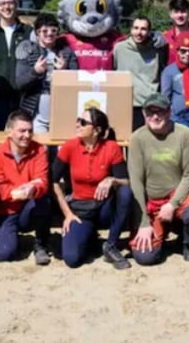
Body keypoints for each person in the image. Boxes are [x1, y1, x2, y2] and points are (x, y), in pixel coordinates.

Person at [128, 94, 189, 265]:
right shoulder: (137, 138)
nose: (155, 116)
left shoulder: (185, 134)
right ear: (144, 114)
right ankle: (160, 233)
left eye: (160, 111)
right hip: (152, 203)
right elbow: (136, 181)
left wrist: (172, 204)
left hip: (178, 198)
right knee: (145, 256)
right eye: (150, 112)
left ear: (169, 112)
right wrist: (143, 221)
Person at [53, 107, 133, 269]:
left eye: (83, 122)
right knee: (72, 259)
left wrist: (112, 179)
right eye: (78, 120)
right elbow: (53, 181)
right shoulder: (69, 147)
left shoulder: (111, 147)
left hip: (104, 208)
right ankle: (88, 237)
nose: (77, 125)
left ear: (96, 130)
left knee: (126, 192)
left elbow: (126, 181)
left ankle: (110, 245)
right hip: (80, 210)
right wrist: (67, 213)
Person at [0, 110, 52, 265]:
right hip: (4, 210)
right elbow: (0, 190)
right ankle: (10, 235)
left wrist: (34, 188)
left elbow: (42, 181)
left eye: (30, 131)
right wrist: (25, 188)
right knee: (2, 255)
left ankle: (40, 244)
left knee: (44, 200)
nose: (27, 135)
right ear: (9, 132)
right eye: (22, 131)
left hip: (27, 207)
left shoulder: (40, 150)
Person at [14, 14, 78, 133]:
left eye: (53, 30)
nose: (49, 34)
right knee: (41, 147)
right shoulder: (27, 50)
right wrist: (35, 72)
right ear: (37, 32)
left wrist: (64, 72)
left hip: (62, 111)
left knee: (61, 148)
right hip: (35, 111)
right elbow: (19, 83)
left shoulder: (67, 53)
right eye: (44, 31)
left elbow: (76, 83)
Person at [0, 0, 31, 123]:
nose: (7, 7)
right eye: (3, 3)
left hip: (23, 96)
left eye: (11, 3)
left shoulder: (28, 32)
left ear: (16, 6)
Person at [114, 16, 165, 130]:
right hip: (126, 104)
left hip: (150, 105)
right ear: (131, 30)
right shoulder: (119, 49)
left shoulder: (157, 49)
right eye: (136, 28)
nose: (139, 32)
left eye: (143, 29)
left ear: (149, 31)